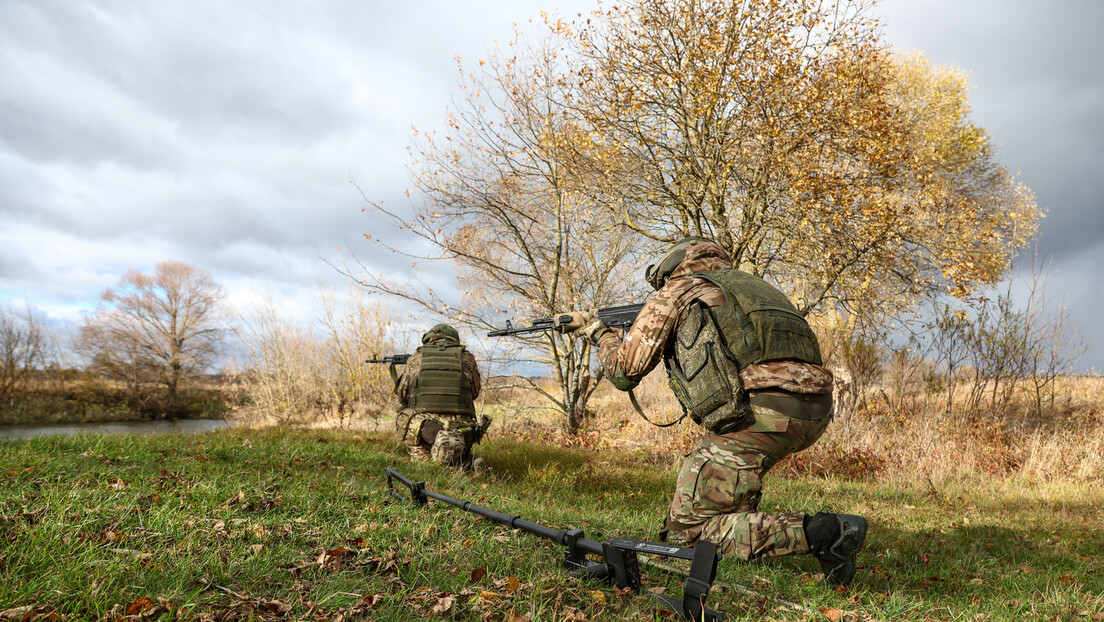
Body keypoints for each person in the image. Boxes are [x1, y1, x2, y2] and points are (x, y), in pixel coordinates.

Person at [567, 237, 867, 586]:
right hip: (814, 410)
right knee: (725, 487)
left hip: (762, 412)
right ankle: (755, 537)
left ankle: (824, 533)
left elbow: (623, 371)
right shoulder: (755, 288)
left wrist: (596, 332)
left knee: (690, 532)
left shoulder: (678, 290)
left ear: (671, 265)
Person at [394, 323, 489, 472]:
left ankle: (426, 462)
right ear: (454, 340)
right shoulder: (467, 358)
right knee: (455, 455)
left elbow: (403, 394)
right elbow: (474, 392)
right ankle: (467, 463)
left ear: (429, 340)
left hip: (424, 429)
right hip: (461, 431)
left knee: (403, 413)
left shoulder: (415, 358)